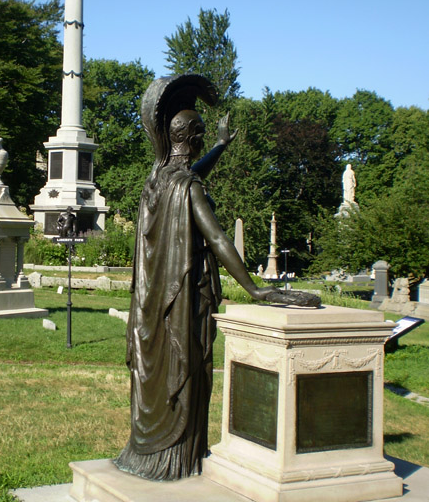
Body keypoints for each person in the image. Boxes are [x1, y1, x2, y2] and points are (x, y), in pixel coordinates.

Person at [114, 75, 319, 482]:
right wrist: (255, 288)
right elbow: (219, 238)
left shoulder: (156, 181)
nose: (204, 140)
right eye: (202, 136)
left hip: (151, 312)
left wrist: (222, 147)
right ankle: (174, 460)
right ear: (188, 137)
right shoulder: (186, 188)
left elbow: (194, 176)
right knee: (186, 374)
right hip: (181, 313)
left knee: (159, 382)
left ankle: (150, 456)